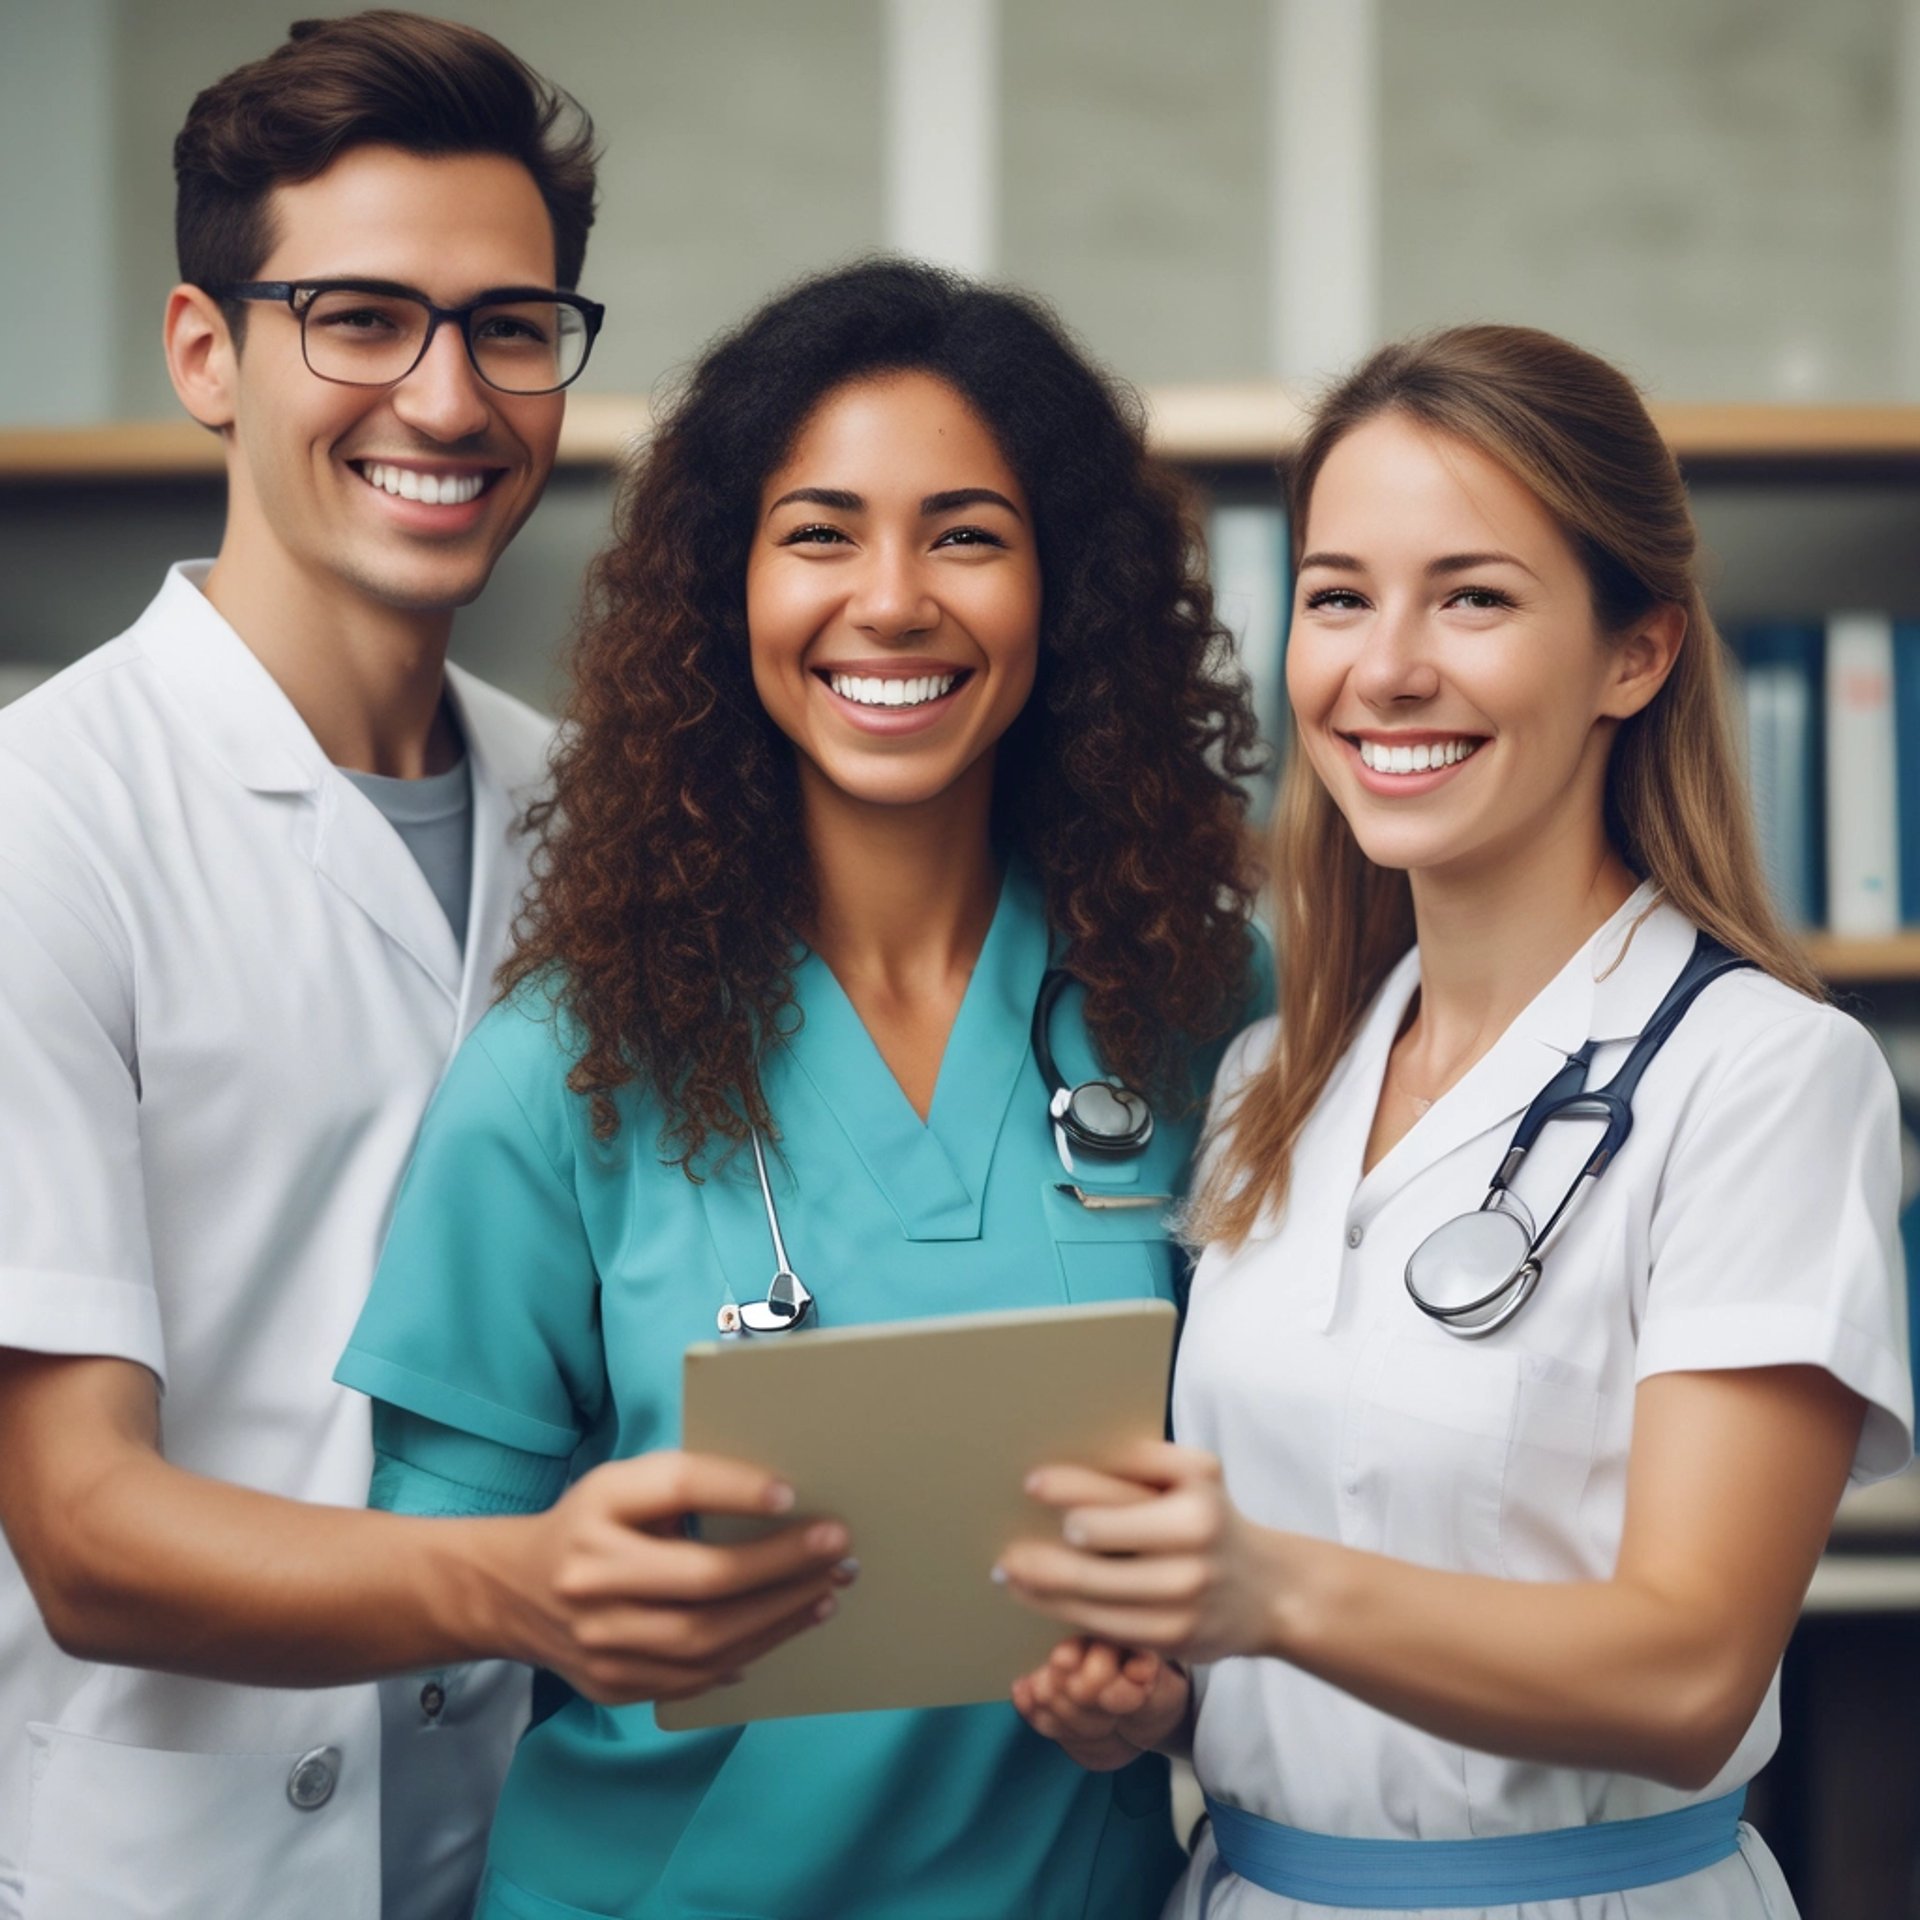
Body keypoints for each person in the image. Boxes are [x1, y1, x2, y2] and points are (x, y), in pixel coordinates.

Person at [0, 18, 848, 1920]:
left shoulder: (604, 828)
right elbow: (81, 1530)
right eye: (362, 318)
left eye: (511, 328)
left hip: (536, 1857)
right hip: (180, 1861)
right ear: (206, 353)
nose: (450, 399)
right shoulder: (38, 830)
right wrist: (533, 1578)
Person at [333, 257, 1269, 1919]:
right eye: (820, 533)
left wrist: (1178, 1689)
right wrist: (558, 1584)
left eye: (967, 533)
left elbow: (1301, 1507)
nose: (893, 600)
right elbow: (425, 1581)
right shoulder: (573, 1059)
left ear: (1066, 593)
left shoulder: (1210, 1013)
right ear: (725, 591)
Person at [999, 323, 1915, 1918]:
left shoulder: (1764, 1076)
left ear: (1636, 654)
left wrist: (1264, 1591)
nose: (1387, 666)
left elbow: (1691, 1670)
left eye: (1473, 596)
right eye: (1339, 594)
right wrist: (1163, 1697)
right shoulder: (1270, 1082)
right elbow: (1284, 1619)